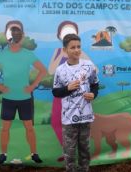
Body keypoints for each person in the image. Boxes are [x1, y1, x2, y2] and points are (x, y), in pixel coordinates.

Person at [0, 20, 47, 164]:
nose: (15, 35)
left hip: (25, 98)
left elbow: (43, 71)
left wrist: (33, 87)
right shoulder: (2, 54)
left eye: (18, 32)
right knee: (5, 129)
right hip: (8, 98)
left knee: (29, 128)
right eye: (12, 32)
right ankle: (3, 154)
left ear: (23, 35)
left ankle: (34, 154)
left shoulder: (28, 54)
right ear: (7, 35)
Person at [52, 33, 99, 172]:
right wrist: (67, 88)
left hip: (86, 116)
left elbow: (95, 84)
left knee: (85, 149)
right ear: (65, 50)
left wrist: (93, 94)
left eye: (79, 47)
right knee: (69, 151)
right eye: (72, 47)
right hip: (68, 119)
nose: (77, 50)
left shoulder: (89, 66)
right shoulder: (60, 70)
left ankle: (84, 169)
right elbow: (55, 92)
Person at [48, 20, 90, 162]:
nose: (76, 49)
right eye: (65, 31)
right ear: (59, 35)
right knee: (57, 122)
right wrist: (62, 54)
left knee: (82, 136)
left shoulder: (81, 54)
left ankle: (78, 159)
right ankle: (66, 150)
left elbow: (92, 69)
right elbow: (51, 70)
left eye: (71, 31)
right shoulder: (59, 52)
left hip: (81, 101)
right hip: (62, 96)